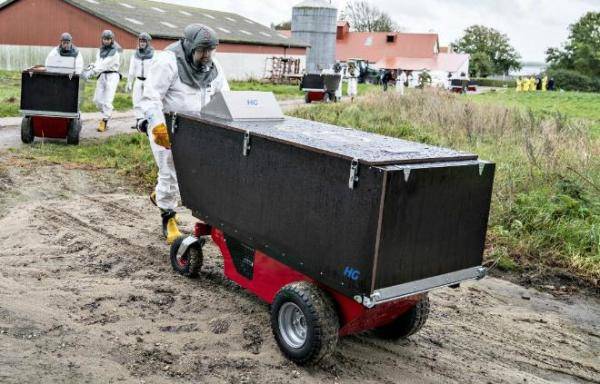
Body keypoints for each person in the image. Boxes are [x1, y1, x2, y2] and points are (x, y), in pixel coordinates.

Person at [137, 24, 229, 244]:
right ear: (189, 47)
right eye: (201, 50)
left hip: (197, 130)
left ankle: (160, 196)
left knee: (192, 175)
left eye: (210, 50)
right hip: (168, 128)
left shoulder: (213, 67)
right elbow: (150, 97)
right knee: (169, 170)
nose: (206, 55)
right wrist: (158, 126)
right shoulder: (167, 62)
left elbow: (224, 97)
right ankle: (168, 219)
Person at [85, 30, 122, 133]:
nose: (106, 41)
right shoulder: (100, 50)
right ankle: (107, 112)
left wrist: (92, 72)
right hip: (102, 75)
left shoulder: (114, 53)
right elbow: (98, 63)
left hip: (112, 76)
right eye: (105, 39)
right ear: (102, 39)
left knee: (107, 100)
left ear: (112, 40)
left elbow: (104, 64)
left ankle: (104, 121)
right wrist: (91, 66)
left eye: (108, 39)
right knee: (97, 100)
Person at [126, 32, 155, 128]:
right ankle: (139, 122)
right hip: (138, 81)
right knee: (137, 101)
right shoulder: (135, 55)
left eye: (144, 41)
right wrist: (129, 82)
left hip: (148, 81)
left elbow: (155, 69)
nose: (142, 43)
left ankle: (150, 122)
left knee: (148, 101)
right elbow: (131, 69)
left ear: (148, 42)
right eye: (140, 41)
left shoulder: (153, 55)